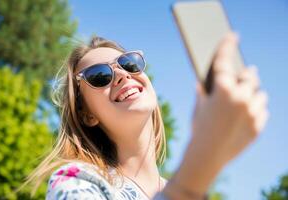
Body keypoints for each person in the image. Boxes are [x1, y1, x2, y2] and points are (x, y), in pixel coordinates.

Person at [24, 32, 268, 200]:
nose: (122, 75)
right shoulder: (76, 182)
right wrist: (201, 161)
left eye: (128, 63)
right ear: (87, 114)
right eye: (99, 75)